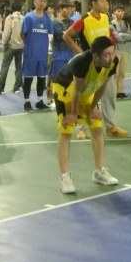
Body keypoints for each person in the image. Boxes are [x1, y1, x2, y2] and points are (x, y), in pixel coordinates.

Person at [52, 36, 121, 194]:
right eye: (106, 55)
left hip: (85, 91)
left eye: (112, 53)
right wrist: (74, 113)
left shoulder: (112, 63)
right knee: (66, 130)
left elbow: (101, 86)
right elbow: (76, 90)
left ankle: (99, 172)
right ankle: (65, 177)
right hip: (65, 90)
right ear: (95, 56)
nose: (111, 58)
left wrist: (91, 108)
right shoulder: (82, 63)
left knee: (97, 126)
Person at [63, 0, 128, 137]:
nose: (105, 4)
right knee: (85, 96)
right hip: (90, 65)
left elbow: (107, 37)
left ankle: (111, 126)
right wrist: (80, 53)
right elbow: (66, 36)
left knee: (109, 94)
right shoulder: (84, 20)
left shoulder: (105, 18)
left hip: (106, 64)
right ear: (93, 3)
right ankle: (82, 129)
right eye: (102, 1)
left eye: (106, 1)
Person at [21, 0, 52, 111]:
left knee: (41, 77)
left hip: (42, 54)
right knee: (28, 78)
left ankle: (39, 100)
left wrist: (48, 51)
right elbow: (22, 34)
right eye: (40, 1)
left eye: (44, 1)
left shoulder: (47, 18)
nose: (42, 3)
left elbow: (50, 35)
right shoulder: (28, 17)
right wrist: (29, 44)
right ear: (35, 2)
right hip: (30, 54)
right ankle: (26, 101)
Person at [0, 0, 24, 94]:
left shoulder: (10, 18)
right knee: (19, 67)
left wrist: (4, 42)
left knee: (5, 66)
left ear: (12, 8)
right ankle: (17, 87)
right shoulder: (24, 18)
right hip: (20, 46)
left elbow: (7, 32)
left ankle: (0, 88)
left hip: (10, 46)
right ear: (20, 8)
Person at [110, 4, 131, 98]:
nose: (120, 13)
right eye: (118, 11)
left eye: (122, 11)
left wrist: (121, 35)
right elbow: (116, 37)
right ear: (114, 12)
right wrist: (123, 37)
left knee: (122, 72)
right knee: (115, 73)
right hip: (115, 50)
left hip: (124, 50)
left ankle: (120, 91)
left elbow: (130, 36)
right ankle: (114, 92)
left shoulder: (126, 24)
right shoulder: (111, 24)